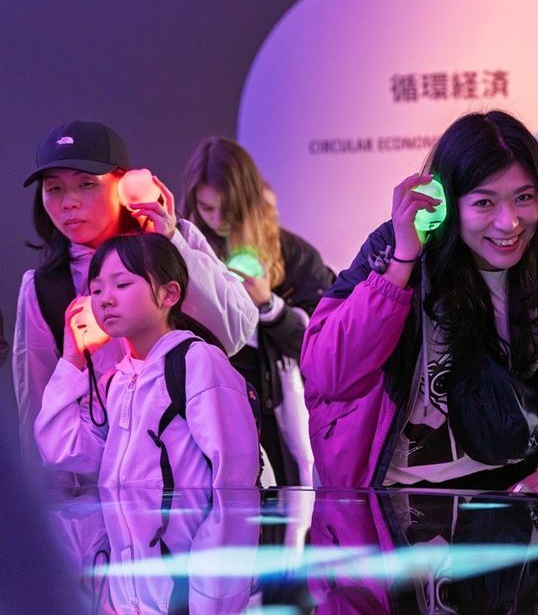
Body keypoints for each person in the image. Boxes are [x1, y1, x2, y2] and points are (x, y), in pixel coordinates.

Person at [301, 110, 538, 491]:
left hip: (513, 497)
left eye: (524, 197)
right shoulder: (395, 249)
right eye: (484, 203)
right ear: (448, 202)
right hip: (392, 498)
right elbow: (332, 374)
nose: (508, 223)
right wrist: (401, 264)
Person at [13, 121, 257, 469]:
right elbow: (36, 413)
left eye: (86, 184)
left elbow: (235, 331)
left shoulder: (174, 241)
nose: (69, 202)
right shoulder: (44, 287)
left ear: (125, 183)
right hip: (101, 481)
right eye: (54, 189)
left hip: (196, 467)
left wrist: (171, 242)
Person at [34, 233, 260, 488]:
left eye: (122, 285)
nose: (105, 299)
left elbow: (235, 475)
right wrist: (72, 359)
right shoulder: (114, 381)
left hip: (191, 528)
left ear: (169, 294)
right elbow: (61, 450)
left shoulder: (198, 362)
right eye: (96, 289)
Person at [182, 137, 336, 486]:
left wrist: (269, 305)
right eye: (207, 208)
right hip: (203, 410)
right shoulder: (185, 255)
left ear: (250, 200)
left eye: (229, 209)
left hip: (277, 414)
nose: (218, 219)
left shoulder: (294, 255)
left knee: (283, 518)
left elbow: (324, 347)